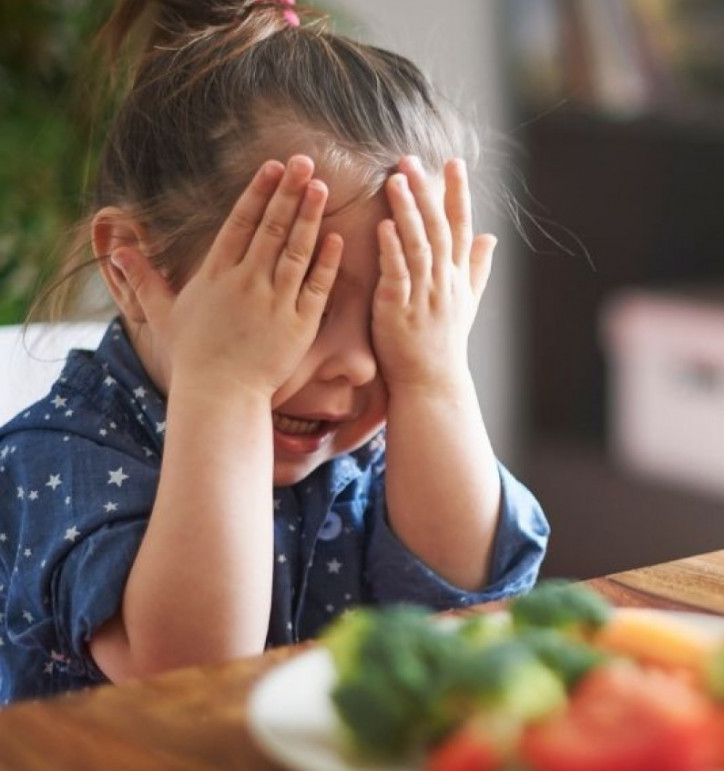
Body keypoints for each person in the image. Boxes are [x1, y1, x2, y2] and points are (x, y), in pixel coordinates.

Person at [0, 0, 548, 704]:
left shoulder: (379, 437)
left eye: (393, 316)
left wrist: (432, 377)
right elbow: (190, 675)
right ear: (132, 270)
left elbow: (470, 599)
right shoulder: (59, 459)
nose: (358, 364)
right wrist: (225, 388)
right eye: (302, 306)